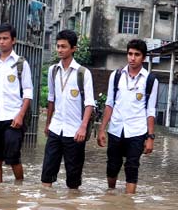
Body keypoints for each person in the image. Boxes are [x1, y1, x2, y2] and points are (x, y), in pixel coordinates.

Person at [97, 39, 158, 194]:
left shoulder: (150, 80)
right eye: (130, 54)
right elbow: (110, 104)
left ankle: (129, 202)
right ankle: (110, 194)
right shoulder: (116, 76)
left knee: (132, 166)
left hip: (137, 130)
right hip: (116, 128)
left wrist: (150, 137)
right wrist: (102, 129)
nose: (132, 58)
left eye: (136, 55)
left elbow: (150, 110)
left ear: (143, 58)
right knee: (112, 165)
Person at [41, 29, 94, 190]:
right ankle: (45, 208)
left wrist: (83, 128)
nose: (59, 50)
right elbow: (51, 99)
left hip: (75, 132)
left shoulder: (83, 73)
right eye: (58, 46)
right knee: (46, 175)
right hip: (56, 129)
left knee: (73, 179)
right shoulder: (53, 71)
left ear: (73, 49)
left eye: (64, 46)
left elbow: (89, 103)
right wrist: (48, 124)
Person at [0, 23, 33, 183]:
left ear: (13, 40)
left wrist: (20, 116)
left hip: (13, 118)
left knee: (13, 158)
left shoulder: (21, 63)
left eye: (5, 38)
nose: (2, 42)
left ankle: (19, 188)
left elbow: (28, 92)